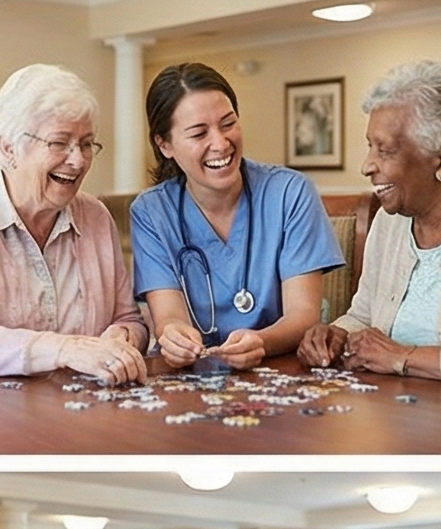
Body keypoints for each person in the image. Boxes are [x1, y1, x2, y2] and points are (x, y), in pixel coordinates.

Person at [129, 64, 345, 370]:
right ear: (164, 144)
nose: (220, 143)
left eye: (228, 124)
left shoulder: (289, 192)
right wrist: (174, 338)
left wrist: (262, 342)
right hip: (194, 381)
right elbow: (169, 317)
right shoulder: (151, 212)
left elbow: (303, 315)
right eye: (199, 133)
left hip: (281, 372)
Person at [0, 65, 149, 384]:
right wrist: (66, 349)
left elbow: (129, 319)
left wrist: (123, 338)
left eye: (86, 143)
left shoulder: (96, 216)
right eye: (59, 142)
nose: (78, 160)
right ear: (8, 147)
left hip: (84, 413)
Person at [296, 60, 441, 385]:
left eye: (385, 150)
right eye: (370, 146)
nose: (367, 166)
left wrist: (403, 357)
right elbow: (364, 315)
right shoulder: (389, 222)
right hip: (388, 410)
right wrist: (336, 334)